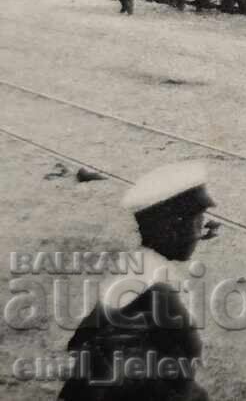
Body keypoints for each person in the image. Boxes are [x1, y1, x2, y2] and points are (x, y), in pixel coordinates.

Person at [59, 162, 215, 401]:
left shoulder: (137, 269)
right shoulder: (157, 293)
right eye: (195, 222)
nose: (200, 232)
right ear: (171, 229)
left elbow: (82, 339)